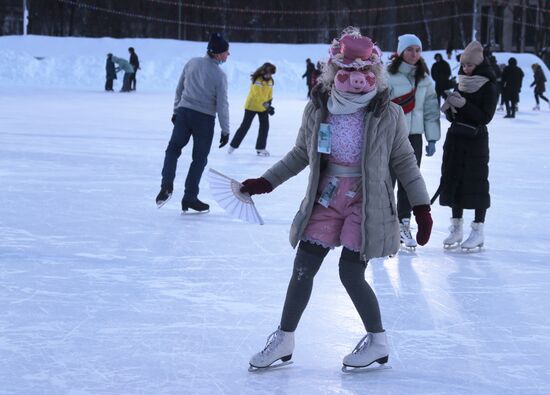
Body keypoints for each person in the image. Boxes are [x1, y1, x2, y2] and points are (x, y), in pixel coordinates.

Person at [242, 27, 433, 371]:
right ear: (334, 71)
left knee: (350, 272)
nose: (357, 79)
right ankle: (284, 338)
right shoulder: (319, 110)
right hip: (327, 198)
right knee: (303, 267)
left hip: (366, 201)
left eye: (364, 72)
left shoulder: (386, 113)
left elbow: (404, 161)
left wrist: (421, 207)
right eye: (348, 71)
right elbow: (301, 153)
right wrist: (266, 181)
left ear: (374, 73)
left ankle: (378, 341)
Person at [155, 32, 230, 212]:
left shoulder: (192, 63)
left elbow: (179, 88)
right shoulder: (220, 75)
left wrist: (176, 111)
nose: (228, 55)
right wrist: (225, 130)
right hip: (204, 120)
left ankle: (166, 185)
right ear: (218, 54)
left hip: (184, 113)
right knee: (199, 159)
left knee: (173, 150)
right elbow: (222, 104)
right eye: (226, 52)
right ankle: (189, 196)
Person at [438, 40, 498, 250]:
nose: (466, 68)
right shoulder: (461, 82)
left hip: (476, 141)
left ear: (479, 65)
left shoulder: (489, 85)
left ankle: (478, 229)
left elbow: (485, 117)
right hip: (456, 139)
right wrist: (449, 109)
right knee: (455, 180)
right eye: (464, 65)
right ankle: (456, 227)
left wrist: (464, 105)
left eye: (470, 65)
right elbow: (454, 117)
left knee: (477, 184)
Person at [387, 34, 440, 248]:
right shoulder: (388, 76)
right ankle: (382, 223)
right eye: (410, 49)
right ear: (401, 52)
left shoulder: (425, 79)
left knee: (410, 182)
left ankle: (403, 223)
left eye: (417, 50)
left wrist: (432, 138)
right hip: (391, 136)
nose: (414, 54)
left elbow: (430, 110)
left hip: (414, 138)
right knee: (385, 181)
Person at [228, 62, 276, 156]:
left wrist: (269, 103)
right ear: (263, 71)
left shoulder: (270, 81)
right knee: (245, 126)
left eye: (271, 74)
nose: (269, 75)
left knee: (265, 126)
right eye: (268, 73)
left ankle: (260, 148)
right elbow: (257, 95)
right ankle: (233, 146)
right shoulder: (257, 80)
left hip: (263, 107)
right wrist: (267, 106)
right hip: (252, 106)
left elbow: (270, 93)